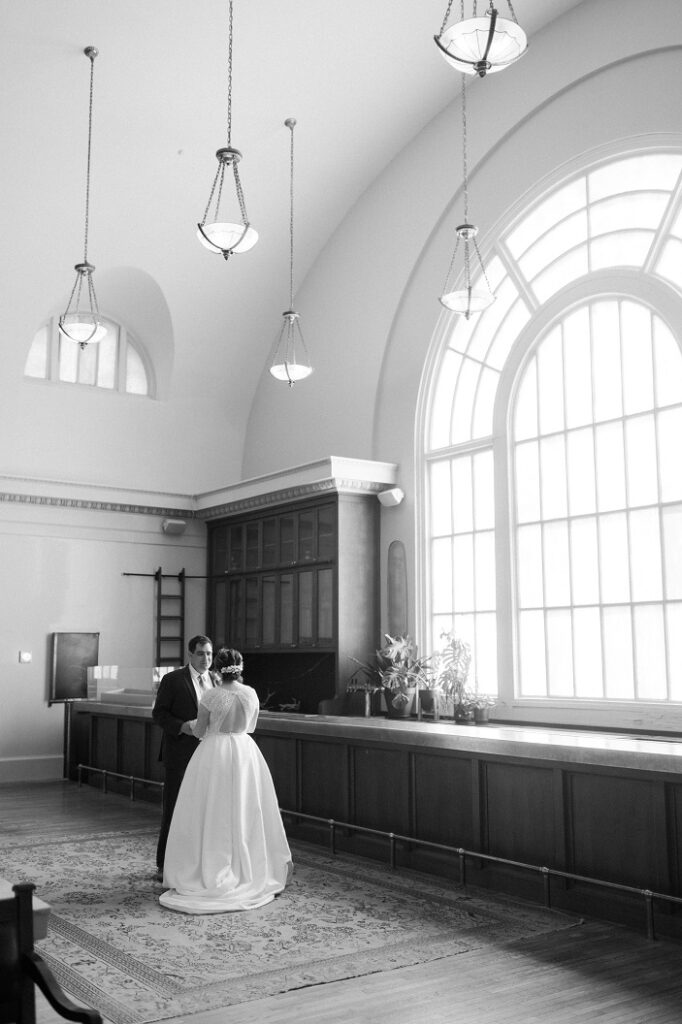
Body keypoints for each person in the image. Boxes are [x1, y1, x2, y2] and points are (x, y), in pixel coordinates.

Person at [159, 647, 292, 914]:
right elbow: (251, 726)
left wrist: (201, 726)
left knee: (212, 808)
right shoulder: (251, 693)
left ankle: (211, 863)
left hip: (215, 753)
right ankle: (249, 865)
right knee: (245, 807)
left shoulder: (211, 695)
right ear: (240, 668)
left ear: (218, 669)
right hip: (245, 752)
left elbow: (199, 731)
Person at [152, 634, 214, 882]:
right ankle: (163, 864)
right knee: (174, 808)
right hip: (179, 753)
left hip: (208, 755)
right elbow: (159, 715)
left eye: (209, 654)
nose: (206, 659)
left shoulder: (216, 680)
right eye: (201, 653)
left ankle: (195, 862)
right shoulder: (173, 679)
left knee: (201, 811)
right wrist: (182, 726)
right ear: (190, 655)